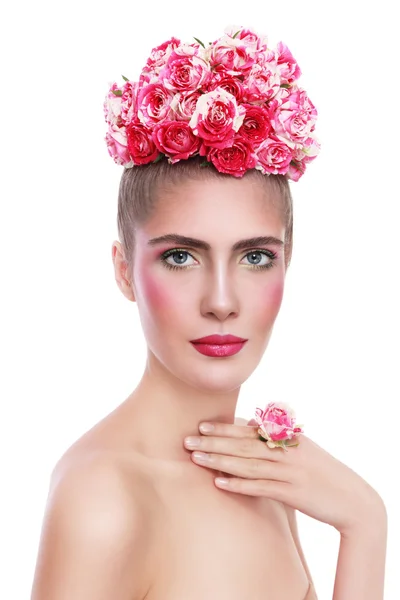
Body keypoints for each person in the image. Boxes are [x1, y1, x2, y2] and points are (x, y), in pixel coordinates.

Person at [30, 27, 387, 600]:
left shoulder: (268, 472)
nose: (221, 300)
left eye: (254, 256)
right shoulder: (103, 497)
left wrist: (365, 524)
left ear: (286, 264)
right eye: (181, 256)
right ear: (124, 271)